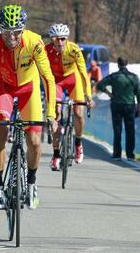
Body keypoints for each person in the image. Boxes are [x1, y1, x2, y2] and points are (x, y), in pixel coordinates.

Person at [0, 4, 57, 210]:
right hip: (3, 88)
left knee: (33, 140)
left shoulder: (35, 43)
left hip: (28, 90)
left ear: (22, 30)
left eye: (16, 33)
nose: (11, 38)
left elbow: (48, 78)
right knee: (0, 132)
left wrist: (51, 113)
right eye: (6, 33)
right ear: (0, 30)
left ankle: (31, 183)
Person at [45, 23, 93, 171]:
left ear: (67, 39)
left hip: (73, 79)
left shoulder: (74, 49)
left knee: (78, 112)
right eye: (56, 39)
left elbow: (83, 73)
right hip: (56, 81)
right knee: (57, 115)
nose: (59, 42)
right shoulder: (46, 51)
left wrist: (88, 96)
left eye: (62, 39)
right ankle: (55, 154)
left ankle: (78, 143)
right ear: (52, 39)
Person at [97, 57, 140, 160]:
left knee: (117, 130)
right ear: (127, 64)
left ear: (118, 64)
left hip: (116, 105)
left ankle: (117, 154)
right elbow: (139, 93)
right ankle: (130, 155)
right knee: (130, 131)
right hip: (130, 106)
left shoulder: (114, 76)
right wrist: (139, 107)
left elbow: (100, 84)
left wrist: (109, 94)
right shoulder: (134, 77)